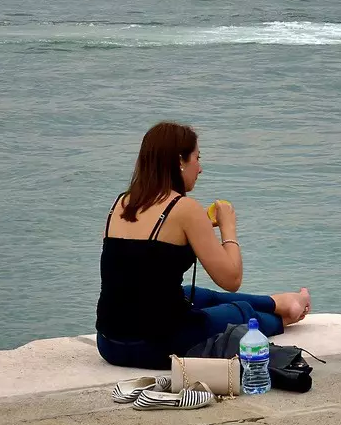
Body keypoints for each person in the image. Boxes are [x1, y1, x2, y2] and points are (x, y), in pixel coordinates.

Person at [95, 122, 311, 369]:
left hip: (110, 344)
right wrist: (228, 226)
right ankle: (286, 315)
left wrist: (199, 229)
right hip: (160, 346)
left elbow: (141, 263)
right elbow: (231, 279)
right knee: (239, 311)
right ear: (180, 161)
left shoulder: (121, 203)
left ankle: (278, 301)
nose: (200, 168)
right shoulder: (185, 209)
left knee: (193, 295)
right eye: (197, 158)